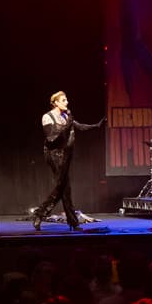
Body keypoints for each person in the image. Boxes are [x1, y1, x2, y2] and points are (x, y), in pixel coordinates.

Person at [32, 92, 104, 231]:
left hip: (66, 155)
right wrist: (68, 124)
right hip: (54, 154)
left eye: (66, 100)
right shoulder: (47, 117)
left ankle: (42, 215)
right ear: (56, 103)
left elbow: (78, 126)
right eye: (64, 100)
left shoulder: (66, 116)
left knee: (63, 188)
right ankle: (67, 220)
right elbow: (52, 137)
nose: (67, 102)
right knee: (64, 188)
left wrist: (96, 126)